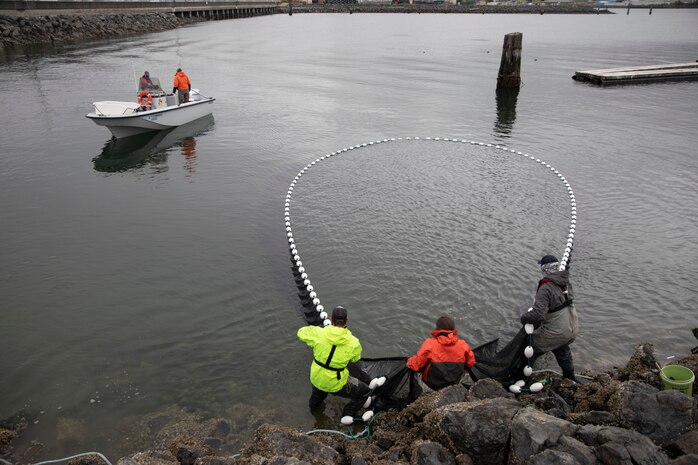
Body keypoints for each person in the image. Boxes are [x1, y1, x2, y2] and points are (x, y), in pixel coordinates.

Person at [297, 306, 371, 425]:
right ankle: (347, 415)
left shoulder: (319, 333)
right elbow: (355, 358)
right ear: (347, 321)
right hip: (336, 383)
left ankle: (313, 413)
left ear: (331, 320)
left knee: (317, 396)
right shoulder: (353, 342)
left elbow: (301, 333)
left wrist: (318, 331)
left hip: (317, 377)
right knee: (364, 391)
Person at [520, 254, 579, 381]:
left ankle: (522, 378)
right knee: (561, 347)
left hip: (558, 331)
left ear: (545, 270)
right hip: (572, 327)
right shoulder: (566, 281)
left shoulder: (545, 288)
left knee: (528, 348)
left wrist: (524, 318)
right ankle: (570, 378)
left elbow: (538, 315)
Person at [406, 315, 476, 391]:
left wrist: (409, 361)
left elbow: (416, 366)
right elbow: (471, 363)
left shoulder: (430, 344)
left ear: (437, 328)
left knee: (417, 372)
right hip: (454, 383)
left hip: (431, 386)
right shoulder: (463, 345)